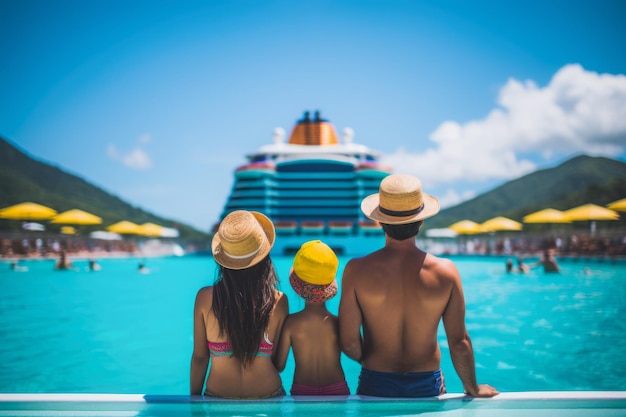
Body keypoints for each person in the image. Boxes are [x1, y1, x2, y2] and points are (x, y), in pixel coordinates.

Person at [339, 174, 498, 398]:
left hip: (376, 380)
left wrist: (369, 359)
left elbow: (348, 342)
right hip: (426, 383)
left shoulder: (357, 270)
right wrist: (472, 387)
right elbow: (459, 341)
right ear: (421, 220)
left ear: (380, 221)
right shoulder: (446, 272)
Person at [190, 210, 289, 398]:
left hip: (218, 399)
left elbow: (200, 358)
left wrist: (194, 403)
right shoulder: (278, 300)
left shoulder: (204, 298)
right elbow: (278, 363)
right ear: (264, 257)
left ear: (225, 260)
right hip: (269, 397)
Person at [274, 240, 350, 396]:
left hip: (303, 390)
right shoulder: (338, 323)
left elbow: (279, 365)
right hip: (338, 389)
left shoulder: (291, 324)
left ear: (298, 288)